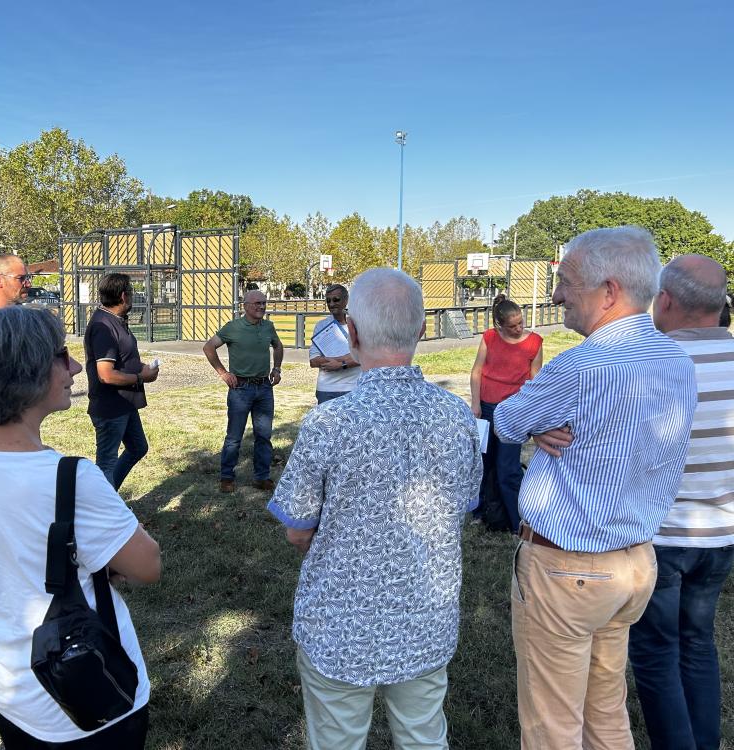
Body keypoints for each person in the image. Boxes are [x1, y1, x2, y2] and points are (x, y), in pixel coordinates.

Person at [493, 226, 697, 750]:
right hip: (634, 565)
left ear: (608, 292)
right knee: (605, 709)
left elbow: (508, 420)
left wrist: (538, 423)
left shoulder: (582, 365)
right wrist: (544, 422)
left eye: (566, 282)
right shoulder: (676, 360)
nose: (557, 294)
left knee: (551, 726)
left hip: (568, 569)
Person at [269, 268, 481, 750]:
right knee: (424, 736)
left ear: (356, 334)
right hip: (426, 619)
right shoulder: (457, 418)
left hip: (339, 627)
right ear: (422, 330)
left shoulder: (328, 423)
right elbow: (461, 507)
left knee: (338, 740)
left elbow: (297, 530)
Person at [0, 306, 161, 749]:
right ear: (23, 372)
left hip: (10, 680)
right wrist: (107, 558)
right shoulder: (70, 477)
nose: (75, 367)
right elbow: (147, 565)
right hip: (85, 692)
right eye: (61, 356)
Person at [628, 254, 734, 750]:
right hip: (721, 537)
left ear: (664, 300)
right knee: (698, 643)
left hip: (661, 536)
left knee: (655, 652)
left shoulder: (649, 367)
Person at [469, 298, 543, 531]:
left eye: (520, 323)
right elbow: (477, 371)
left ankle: (517, 522)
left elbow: (536, 379)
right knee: (483, 462)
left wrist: (532, 414)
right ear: (499, 325)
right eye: (512, 326)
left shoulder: (534, 342)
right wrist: (475, 403)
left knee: (507, 468)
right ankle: (481, 512)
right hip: (487, 406)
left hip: (514, 411)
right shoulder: (490, 337)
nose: (519, 328)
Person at [203, 290, 284, 493]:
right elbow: (208, 347)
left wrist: (277, 368)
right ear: (245, 305)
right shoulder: (233, 327)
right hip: (240, 388)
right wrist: (223, 373)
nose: (261, 307)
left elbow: (278, 345)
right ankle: (227, 477)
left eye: (264, 303)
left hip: (264, 388)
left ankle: (261, 477)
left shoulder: (268, 326)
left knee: (264, 435)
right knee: (234, 436)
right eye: (257, 303)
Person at [84, 273, 160, 489]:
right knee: (106, 464)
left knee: (138, 447)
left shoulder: (114, 320)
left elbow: (121, 359)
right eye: (132, 293)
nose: (134, 297)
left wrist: (142, 367)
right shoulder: (103, 326)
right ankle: (104, 513)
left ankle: (110, 499)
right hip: (110, 407)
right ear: (124, 296)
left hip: (125, 404)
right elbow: (106, 374)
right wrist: (140, 377)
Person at [308, 284, 360, 403]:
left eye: (336, 299)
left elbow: (366, 356)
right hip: (326, 390)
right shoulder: (321, 326)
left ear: (346, 300)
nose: (331, 304)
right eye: (328, 300)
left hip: (354, 388)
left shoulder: (360, 324)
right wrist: (348, 358)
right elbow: (313, 361)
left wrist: (340, 364)